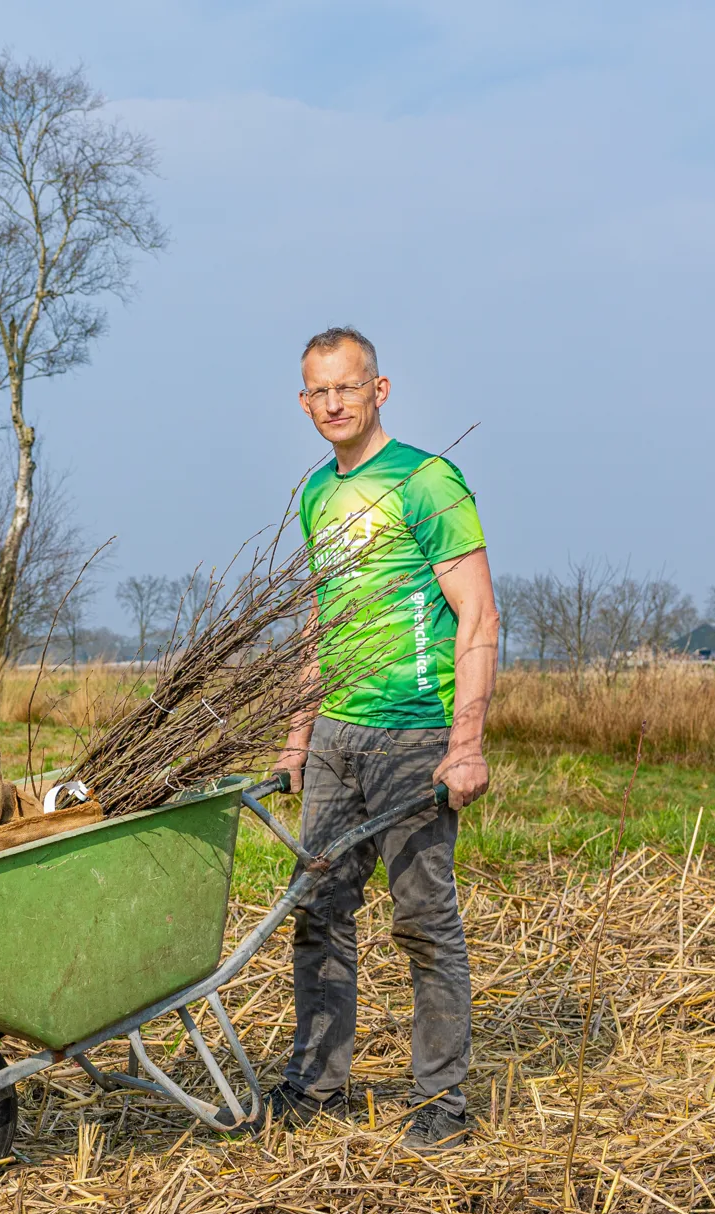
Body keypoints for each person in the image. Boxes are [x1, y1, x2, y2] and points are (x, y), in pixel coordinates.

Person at [254, 326, 499, 1153]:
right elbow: (320, 624)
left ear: (379, 390)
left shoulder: (427, 480)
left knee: (424, 918)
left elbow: (478, 613)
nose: (332, 404)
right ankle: (317, 1085)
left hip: (413, 734)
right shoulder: (318, 495)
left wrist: (465, 743)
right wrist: (296, 738)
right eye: (318, 392)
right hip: (335, 736)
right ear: (303, 401)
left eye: (347, 388)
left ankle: (443, 1100)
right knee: (317, 910)